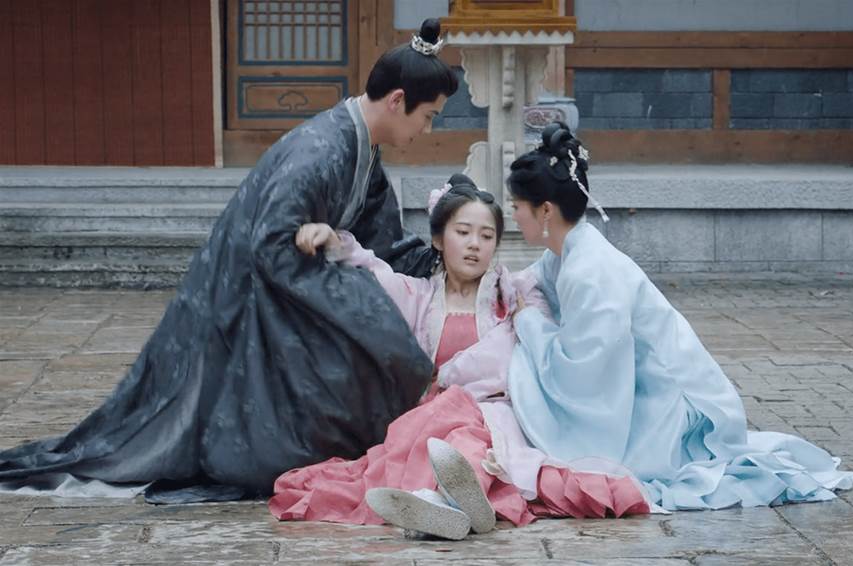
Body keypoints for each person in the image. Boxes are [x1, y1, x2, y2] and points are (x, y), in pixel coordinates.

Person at [0, 19, 458, 504]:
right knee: (377, 339)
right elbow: (273, 246)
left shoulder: (362, 148)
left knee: (383, 341)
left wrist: (444, 254)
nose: (427, 130)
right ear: (396, 101)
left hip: (285, 288)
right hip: (250, 295)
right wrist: (359, 298)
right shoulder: (319, 150)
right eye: (428, 116)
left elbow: (380, 238)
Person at [505, 122, 853, 511]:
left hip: (676, 406)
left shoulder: (590, 271)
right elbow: (533, 282)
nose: (513, 214)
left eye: (517, 206)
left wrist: (529, 323)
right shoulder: (568, 253)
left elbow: (584, 372)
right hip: (643, 387)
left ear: (545, 210)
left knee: (595, 457)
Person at [268, 174, 649, 538]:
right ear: (439, 239)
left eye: (486, 236)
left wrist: (527, 318)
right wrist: (334, 241)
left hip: (498, 415)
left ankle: (443, 503)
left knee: (467, 439)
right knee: (439, 435)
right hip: (434, 417)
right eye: (463, 232)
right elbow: (372, 273)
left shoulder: (515, 293)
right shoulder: (420, 297)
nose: (474, 245)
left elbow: (545, 346)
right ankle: (449, 504)